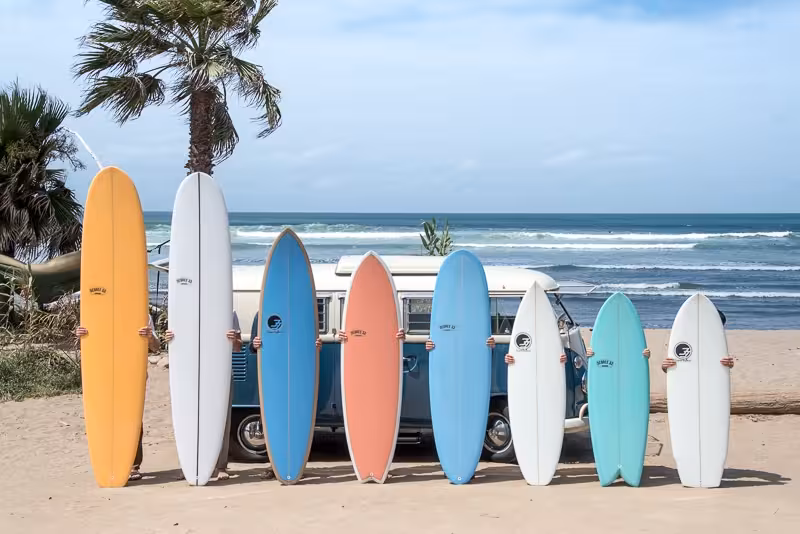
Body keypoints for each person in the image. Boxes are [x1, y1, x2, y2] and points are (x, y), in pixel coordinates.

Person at [75, 314, 158, 482]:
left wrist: (149, 338)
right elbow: (90, 343)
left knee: (132, 419)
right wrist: (81, 335)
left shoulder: (140, 312)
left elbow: (156, 347)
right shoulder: (100, 308)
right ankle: (109, 462)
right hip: (104, 374)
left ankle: (133, 464)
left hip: (132, 375)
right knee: (105, 419)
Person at [164, 311, 241, 481]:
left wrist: (233, 339)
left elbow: (238, 347)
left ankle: (220, 466)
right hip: (192, 373)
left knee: (222, 419)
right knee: (191, 418)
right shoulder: (186, 305)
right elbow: (174, 344)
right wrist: (170, 338)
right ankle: (190, 466)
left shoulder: (227, 309)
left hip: (220, 372)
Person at [249, 312, 324, 480]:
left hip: (299, 374)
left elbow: (310, 342)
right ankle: (275, 465)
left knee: (297, 419)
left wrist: (317, 344)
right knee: (275, 421)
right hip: (273, 375)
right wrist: (255, 344)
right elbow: (252, 347)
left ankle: (297, 464)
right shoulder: (264, 311)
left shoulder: (302, 309)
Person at [661, 306, 734, 372]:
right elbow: (677, 364)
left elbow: (720, 365)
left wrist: (728, 364)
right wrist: (666, 366)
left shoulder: (717, 343)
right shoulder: (685, 341)